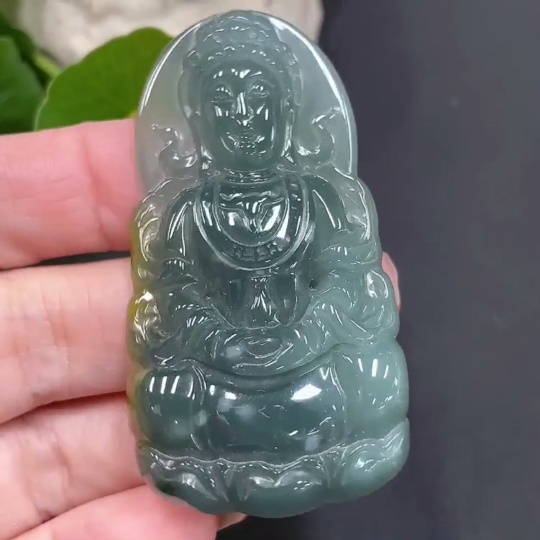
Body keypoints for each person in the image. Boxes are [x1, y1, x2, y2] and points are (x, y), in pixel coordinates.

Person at [0, 119, 400, 539]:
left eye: (259, 101)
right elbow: (171, 290)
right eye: (223, 104)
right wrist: (219, 339)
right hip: (219, 368)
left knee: (370, 373)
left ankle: (344, 452)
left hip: (309, 359)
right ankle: (207, 464)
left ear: (285, 111)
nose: (244, 119)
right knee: (167, 393)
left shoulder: (321, 197)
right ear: (199, 118)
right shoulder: (185, 209)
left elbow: (351, 277)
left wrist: (308, 332)